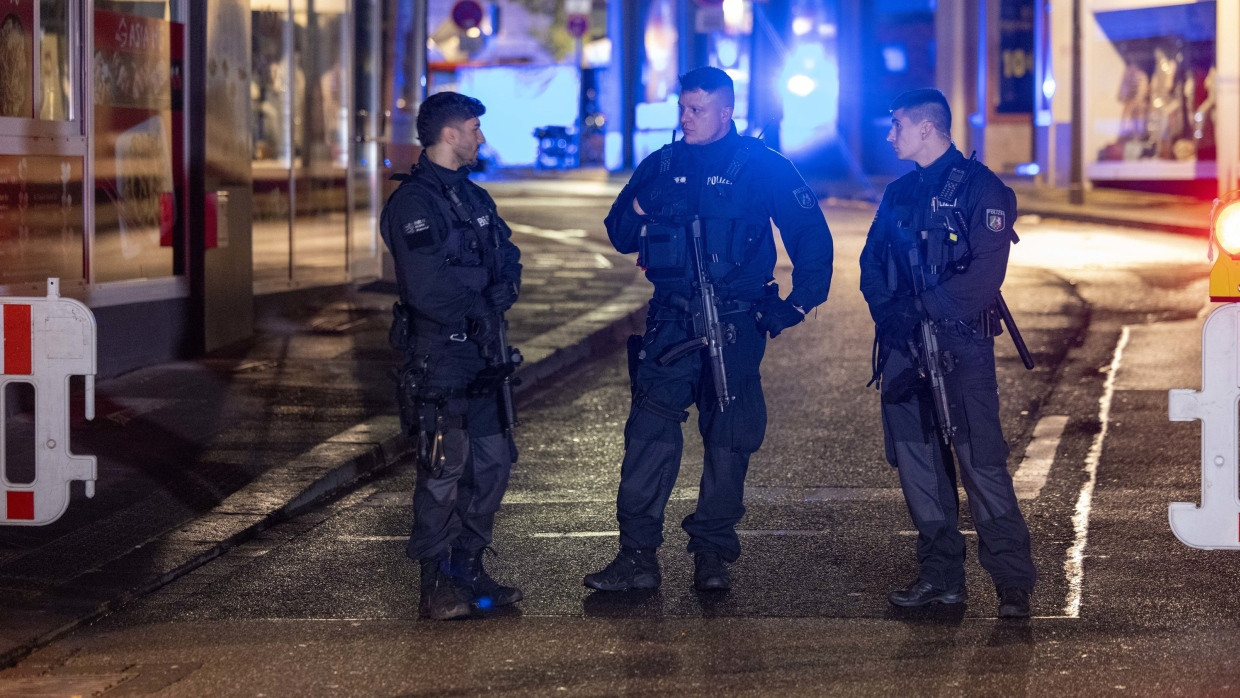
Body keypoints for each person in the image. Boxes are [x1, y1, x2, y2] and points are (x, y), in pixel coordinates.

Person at [586, 66, 833, 592]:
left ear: (726, 112)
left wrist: (798, 304)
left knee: (729, 437)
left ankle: (712, 554)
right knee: (649, 434)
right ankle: (636, 557)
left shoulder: (764, 167)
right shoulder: (664, 163)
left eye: (697, 109)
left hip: (737, 320)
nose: (686, 118)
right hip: (672, 320)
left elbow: (810, 236)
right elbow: (619, 233)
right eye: (682, 108)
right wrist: (641, 202)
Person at [859, 88, 1036, 618]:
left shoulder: (984, 191)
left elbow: (983, 276)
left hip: (961, 346)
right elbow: (871, 261)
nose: (890, 135)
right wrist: (889, 312)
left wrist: (922, 306)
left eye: (897, 125)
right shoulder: (898, 193)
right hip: (904, 348)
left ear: (927, 129)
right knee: (920, 469)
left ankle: (1012, 585)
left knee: (981, 464)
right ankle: (941, 579)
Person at [379, 91, 523, 620]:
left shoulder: (474, 197)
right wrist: (485, 295)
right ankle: (435, 581)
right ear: (449, 134)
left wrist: (500, 285)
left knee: (494, 464)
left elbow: (507, 254)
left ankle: (468, 566)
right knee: (443, 471)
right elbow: (428, 290)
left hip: (486, 354)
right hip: (441, 356)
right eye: (474, 127)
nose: (481, 137)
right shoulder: (414, 204)